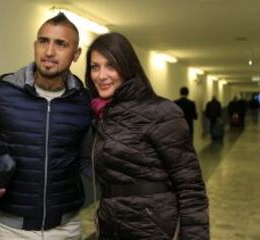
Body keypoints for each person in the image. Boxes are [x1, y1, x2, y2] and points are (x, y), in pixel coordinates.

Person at [0, 13, 92, 240]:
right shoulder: (1, 93)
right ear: (35, 46)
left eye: (61, 44)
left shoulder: (84, 103)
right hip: (13, 231)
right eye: (44, 41)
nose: (49, 52)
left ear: (76, 54)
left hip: (68, 229)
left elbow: (85, 160)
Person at [85, 32, 209, 240]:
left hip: (152, 228)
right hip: (111, 226)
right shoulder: (101, 114)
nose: (101, 75)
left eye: (111, 65)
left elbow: (191, 186)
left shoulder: (161, 111)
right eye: (95, 67)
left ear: (127, 66)